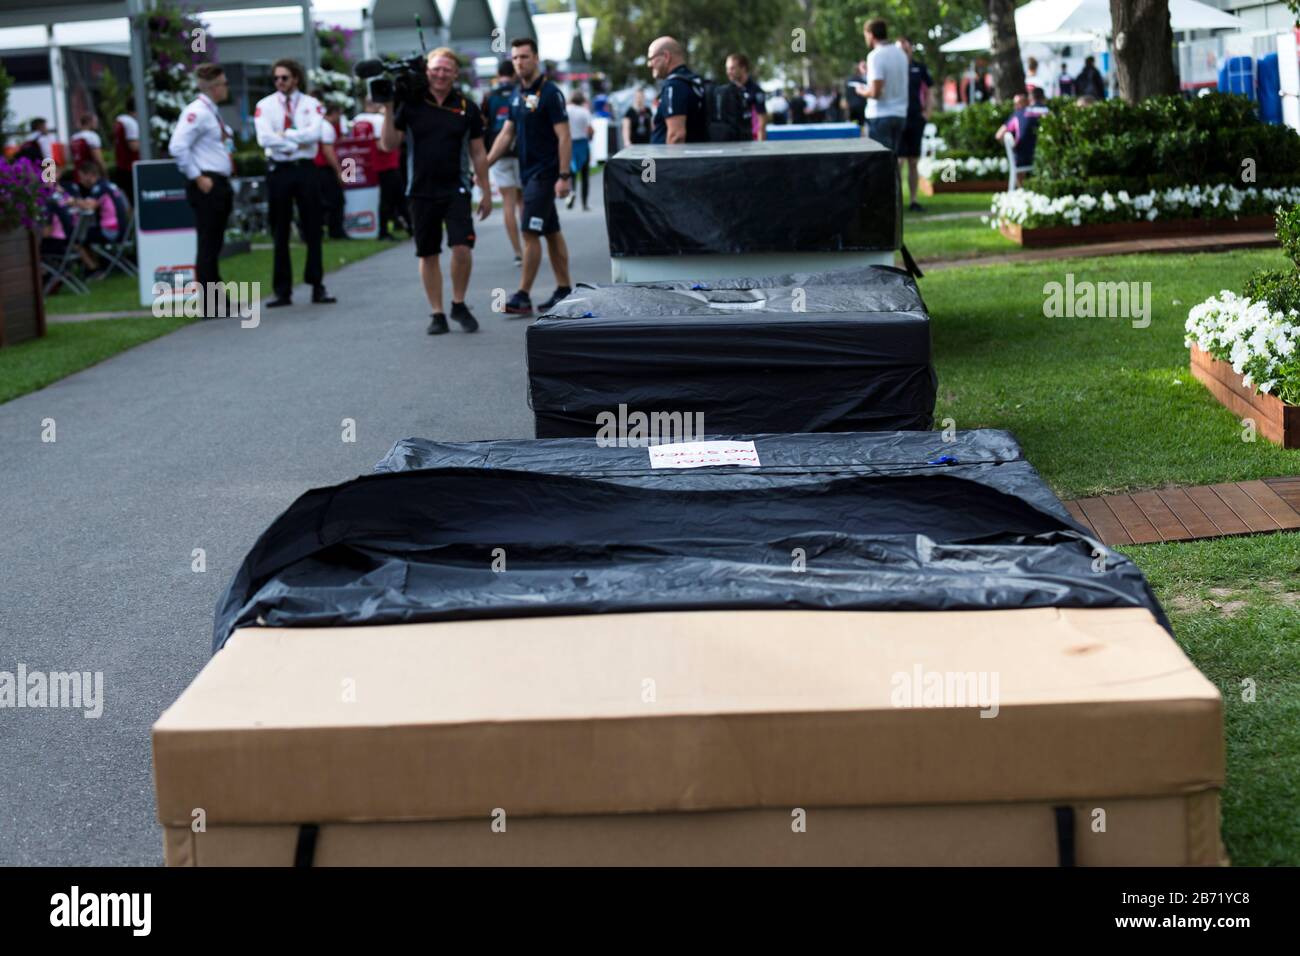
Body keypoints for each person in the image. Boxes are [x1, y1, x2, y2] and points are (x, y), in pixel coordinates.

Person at [381, 47, 491, 335]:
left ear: (455, 73)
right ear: (427, 71)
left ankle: (458, 302)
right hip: (419, 189)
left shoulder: (467, 107)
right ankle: (437, 312)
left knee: (462, 247)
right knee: (428, 253)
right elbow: (389, 144)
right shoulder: (411, 103)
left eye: (446, 69)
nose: (440, 74)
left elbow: (478, 152)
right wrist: (388, 106)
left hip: (456, 187)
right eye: (435, 69)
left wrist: (487, 191)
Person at [485, 36, 573, 316]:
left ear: (536, 58)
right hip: (528, 172)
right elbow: (507, 133)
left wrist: (564, 175)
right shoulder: (516, 94)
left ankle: (522, 296)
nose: (520, 62)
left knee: (528, 231)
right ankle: (563, 289)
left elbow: (564, 137)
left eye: (524, 56)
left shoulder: (550, 93)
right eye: (515, 58)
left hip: (545, 175)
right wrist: (484, 165)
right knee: (551, 231)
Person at [254, 58, 335, 307]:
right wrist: (295, 141)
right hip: (279, 169)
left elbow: (315, 134)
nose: (280, 82)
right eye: (276, 78)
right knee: (280, 229)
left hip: (305, 169)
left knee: (312, 226)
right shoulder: (265, 105)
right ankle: (282, 290)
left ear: (296, 79)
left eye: (284, 78)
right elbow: (264, 139)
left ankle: (316, 284)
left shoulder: (312, 104)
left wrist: (286, 135)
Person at [168, 62, 235, 313]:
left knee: (214, 243)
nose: (227, 88)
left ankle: (219, 301)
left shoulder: (211, 111)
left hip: (217, 182)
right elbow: (177, 146)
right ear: (214, 87)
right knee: (208, 244)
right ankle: (210, 304)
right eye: (224, 83)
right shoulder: (197, 112)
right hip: (208, 183)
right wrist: (198, 177)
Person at [482, 59, 523, 265]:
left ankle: (518, 252)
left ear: (498, 75)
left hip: (498, 154)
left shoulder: (489, 97)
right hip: (521, 152)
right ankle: (530, 244)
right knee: (522, 201)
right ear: (514, 73)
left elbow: (484, 126)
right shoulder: (522, 91)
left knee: (508, 202)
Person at [352, 98, 407, 240]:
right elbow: (384, 144)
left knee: (389, 197)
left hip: (363, 165)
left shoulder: (357, 120)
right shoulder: (378, 120)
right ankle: (384, 231)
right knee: (390, 198)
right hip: (385, 164)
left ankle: (402, 225)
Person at [647, 36, 707, 144]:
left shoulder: (674, 85)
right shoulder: (695, 80)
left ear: (666, 56)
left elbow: (676, 135)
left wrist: (667, 161)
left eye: (651, 59)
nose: (649, 64)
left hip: (672, 158)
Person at [862, 18, 910, 153]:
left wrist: (862, 91)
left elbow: (875, 93)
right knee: (893, 162)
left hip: (880, 116)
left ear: (871, 34)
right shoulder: (901, 54)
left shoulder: (875, 55)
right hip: (900, 114)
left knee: (880, 165)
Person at [896, 36, 933, 213]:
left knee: (913, 161)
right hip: (898, 118)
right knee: (898, 161)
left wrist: (927, 113)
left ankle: (913, 200)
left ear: (911, 48)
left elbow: (930, 90)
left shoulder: (920, 68)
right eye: (900, 48)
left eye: (906, 46)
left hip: (915, 118)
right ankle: (896, 200)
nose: (903, 50)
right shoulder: (894, 68)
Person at [996, 88, 1050, 175]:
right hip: (1044, 157)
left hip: (1022, 158)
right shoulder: (1048, 112)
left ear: (1030, 99)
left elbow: (999, 135)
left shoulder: (1019, 113)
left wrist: (1011, 148)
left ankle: (1021, 188)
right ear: (1044, 98)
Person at [726, 53, 766, 141]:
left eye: (732, 68)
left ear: (743, 68)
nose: (729, 72)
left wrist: (761, 149)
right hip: (731, 143)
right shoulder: (726, 91)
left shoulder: (756, 91)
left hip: (750, 143)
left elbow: (761, 124)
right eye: (727, 68)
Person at [566, 91, 593, 210]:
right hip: (582, 143)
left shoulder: (566, 110)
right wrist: (590, 137)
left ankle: (571, 192)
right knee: (584, 174)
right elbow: (590, 129)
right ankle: (584, 203)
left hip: (569, 143)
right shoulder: (584, 111)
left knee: (571, 173)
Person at [112, 107, 140, 194]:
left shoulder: (119, 120)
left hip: (121, 166)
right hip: (130, 168)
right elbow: (133, 146)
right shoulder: (130, 122)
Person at [846, 61, 869, 125]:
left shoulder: (866, 79)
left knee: (858, 125)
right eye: (864, 67)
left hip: (860, 108)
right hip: (857, 108)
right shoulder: (857, 80)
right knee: (855, 125)